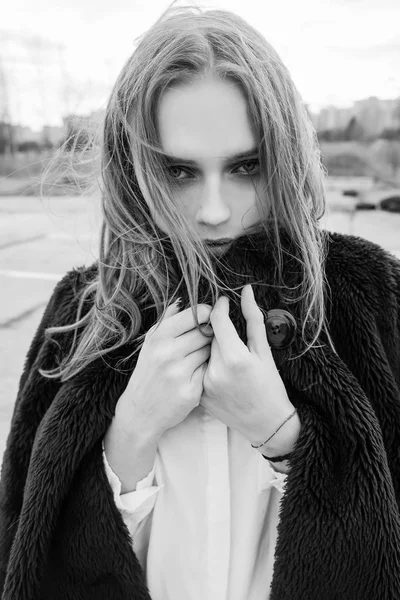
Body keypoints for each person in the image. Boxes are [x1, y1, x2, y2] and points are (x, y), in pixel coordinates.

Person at [1, 3, 400, 599]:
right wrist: (128, 438)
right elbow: (25, 555)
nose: (214, 210)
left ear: (285, 155)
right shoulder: (79, 315)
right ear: (134, 169)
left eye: (246, 165)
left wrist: (283, 437)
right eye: (179, 173)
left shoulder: (369, 296)